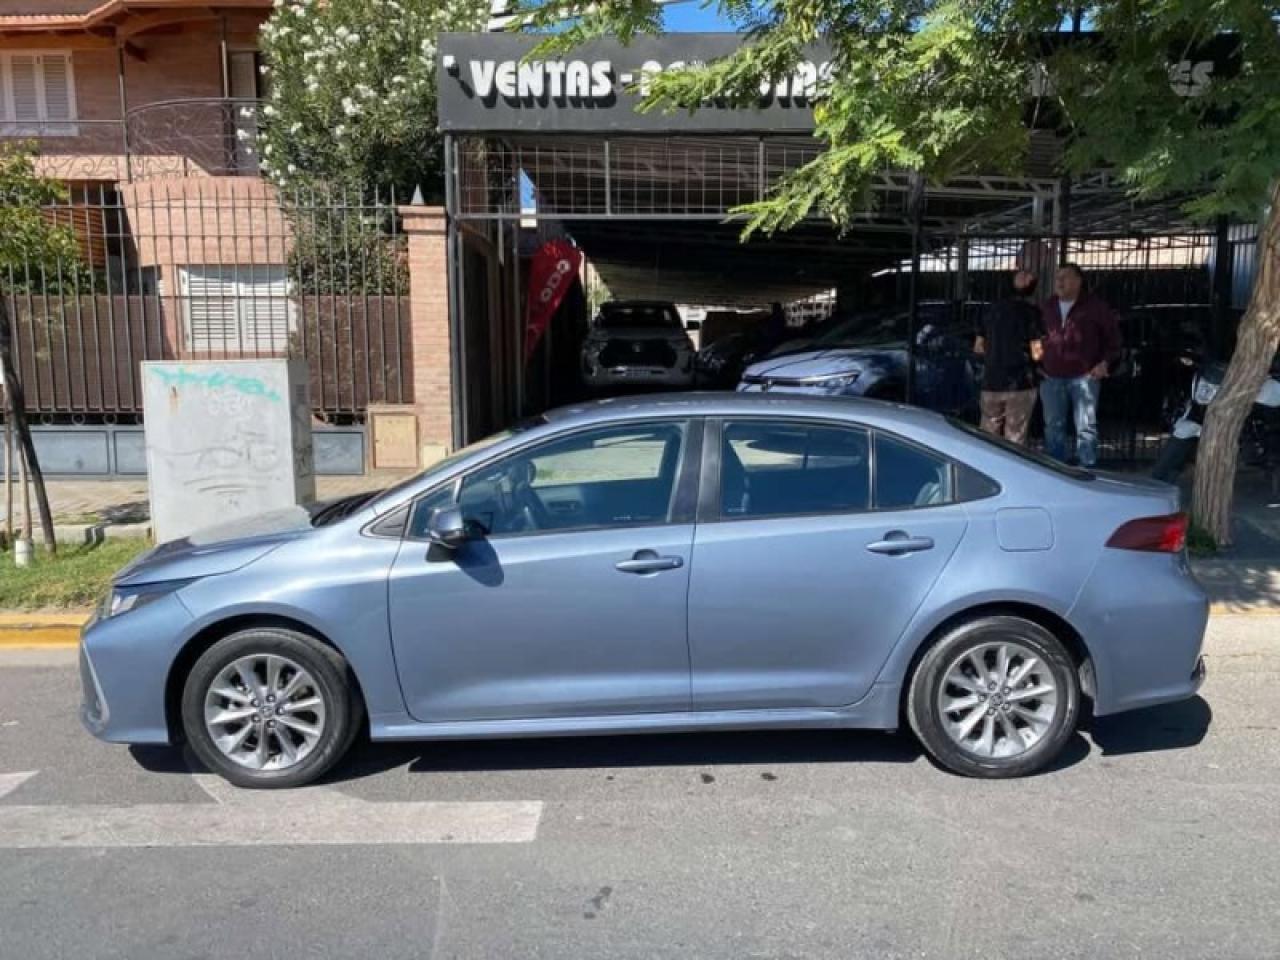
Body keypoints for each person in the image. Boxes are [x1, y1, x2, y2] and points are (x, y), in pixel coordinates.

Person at [1038, 263, 1122, 467]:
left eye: (1065, 277)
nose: (1059, 282)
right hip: (1051, 376)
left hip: (1085, 377)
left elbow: (1114, 341)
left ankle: (1087, 470)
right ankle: (1055, 471)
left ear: (1078, 281)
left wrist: (1105, 364)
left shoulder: (1096, 307)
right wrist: (1037, 363)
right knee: (1053, 426)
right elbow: (1035, 337)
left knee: (1086, 427)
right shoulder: (1047, 306)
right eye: (1057, 277)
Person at [974, 270, 1043, 444]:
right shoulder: (1031, 312)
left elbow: (978, 347)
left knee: (988, 435)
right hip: (1020, 383)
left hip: (991, 381)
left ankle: (986, 468)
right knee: (1015, 437)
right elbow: (1037, 351)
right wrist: (1041, 368)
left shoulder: (989, 310)